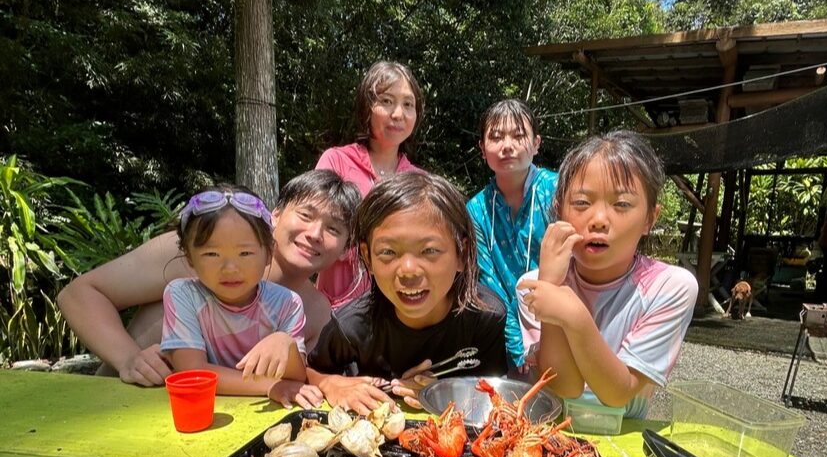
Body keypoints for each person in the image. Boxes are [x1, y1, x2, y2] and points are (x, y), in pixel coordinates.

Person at [57, 170, 360, 407]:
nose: (315, 234)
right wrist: (127, 358)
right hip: (126, 401)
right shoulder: (192, 256)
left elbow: (302, 376)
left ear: (346, 247)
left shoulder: (315, 311)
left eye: (333, 229)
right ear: (275, 215)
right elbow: (81, 293)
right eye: (306, 215)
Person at [517, 131, 698, 419]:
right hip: (551, 434)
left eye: (622, 204)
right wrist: (551, 285)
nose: (599, 220)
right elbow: (563, 386)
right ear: (558, 210)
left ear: (650, 218)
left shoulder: (670, 287)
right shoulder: (534, 284)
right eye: (581, 203)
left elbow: (618, 393)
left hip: (624, 439)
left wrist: (573, 315)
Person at [308, 171, 507, 414]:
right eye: (388, 252)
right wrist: (330, 383)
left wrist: (442, 393)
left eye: (430, 251)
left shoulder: (485, 318)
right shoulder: (351, 327)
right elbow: (310, 370)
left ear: (462, 254)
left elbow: (494, 398)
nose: (409, 271)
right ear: (368, 257)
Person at [160, 186, 308, 406]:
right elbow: (192, 372)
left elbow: (297, 377)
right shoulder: (183, 295)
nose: (230, 268)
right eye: (212, 254)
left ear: (268, 253)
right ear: (189, 257)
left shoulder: (287, 303)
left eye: (245, 253)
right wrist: (270, 386)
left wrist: (286, 344)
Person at [315, 61, 426, 308]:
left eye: (408, 104)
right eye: (386, 101)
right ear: (367, 107)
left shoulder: (419, 181)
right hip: (336, 313)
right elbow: (319, 230)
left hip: (397, 314)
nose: (398, 113)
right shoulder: (336, 161)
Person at [467, 99, 557, 370]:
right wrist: (518, 349)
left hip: (561, 322)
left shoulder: (558, 191)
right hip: (509, 335)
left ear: (536, 143)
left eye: (519, 136)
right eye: (496, 137)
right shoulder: (476, 209)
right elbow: (489, 282)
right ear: (482, 149)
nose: (507, 145)